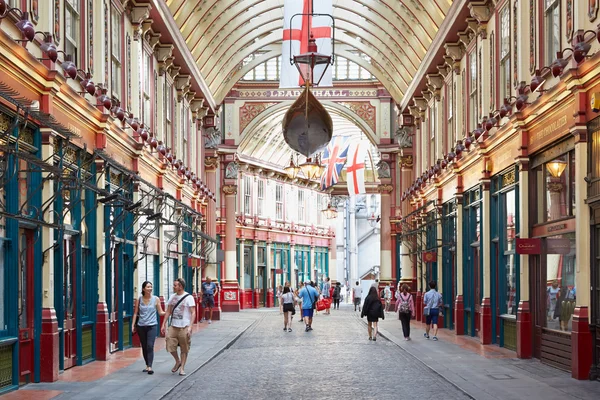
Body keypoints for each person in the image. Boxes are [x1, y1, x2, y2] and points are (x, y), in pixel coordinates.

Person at [161, 278, 196, 376]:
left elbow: (193, 313)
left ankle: (182, 368)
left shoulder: (189, 297)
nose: (173, 287)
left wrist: (190, 326)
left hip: (184, 326)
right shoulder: (172, 297)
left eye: (175, 285)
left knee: (184, 348)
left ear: (180, 286)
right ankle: (177, 361)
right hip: (173, 325)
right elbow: (168, 311)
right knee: (169, 344)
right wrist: (163, 324)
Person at [132, 281, 166, 374]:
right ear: (143, 289)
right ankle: (147, 365)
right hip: (141, 326)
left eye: (151, 287)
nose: (150, 288)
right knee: (144, 346)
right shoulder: (139, 299)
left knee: (150, 345)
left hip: (152, 325)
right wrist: (132, 325)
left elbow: (160, 312)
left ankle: (150, 367)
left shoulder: (156, 299)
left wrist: (169, 312)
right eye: (148, 287)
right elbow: (136, 313)